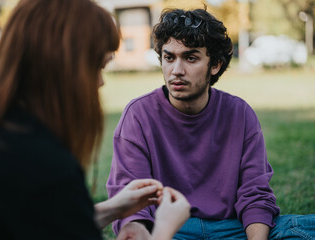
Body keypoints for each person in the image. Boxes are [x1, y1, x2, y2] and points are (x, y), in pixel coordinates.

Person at [0, 1, 191, 239]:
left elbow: (44, 221)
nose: (100, 82)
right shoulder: (42, 165)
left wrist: (115, 207)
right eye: (97, 66)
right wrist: (164, 228)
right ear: (62, 68)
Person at [107, 8, 315, 240]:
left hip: (231, 229)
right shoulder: (138, 115)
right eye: (169, 57)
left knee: (302, 227)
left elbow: (255, 194)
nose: (176, 70)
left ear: (215, 65)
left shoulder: (240, 113)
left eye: (191, 58)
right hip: (171, 230)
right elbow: (132, 204)